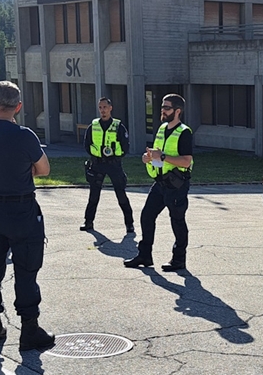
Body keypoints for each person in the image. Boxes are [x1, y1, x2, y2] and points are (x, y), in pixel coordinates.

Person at [0, 80, 55, 352]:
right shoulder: (25, 135)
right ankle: (29, 327)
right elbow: (44, 169)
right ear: (18, 106)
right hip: (20, 209)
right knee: (26, 269)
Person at [124, 93, 193, 273]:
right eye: (162, 106)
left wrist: (162, 156)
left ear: (177, 111)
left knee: (177, 221)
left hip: (177, 185)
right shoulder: (162, 128)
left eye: (167, 107)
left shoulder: (184, 132)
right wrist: (148, 158)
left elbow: (186, 161)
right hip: (161, 183)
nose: (162, 110)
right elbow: (157, 153)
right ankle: (145, 255)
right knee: (147, 216)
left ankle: (179, 260)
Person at [80, 96, 135, 235]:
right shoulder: (94, 126)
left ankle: (129, 224)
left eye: (105, 107)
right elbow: (87, 144)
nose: (102, 110)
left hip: (113, 165)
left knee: (121, 194)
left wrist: (116, 157)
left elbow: (125, 146)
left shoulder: (118, 126)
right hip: (97, 164)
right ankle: (88, 222)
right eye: (100, 107)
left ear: (110, 108)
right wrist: (95, 156)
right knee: (93, 196)